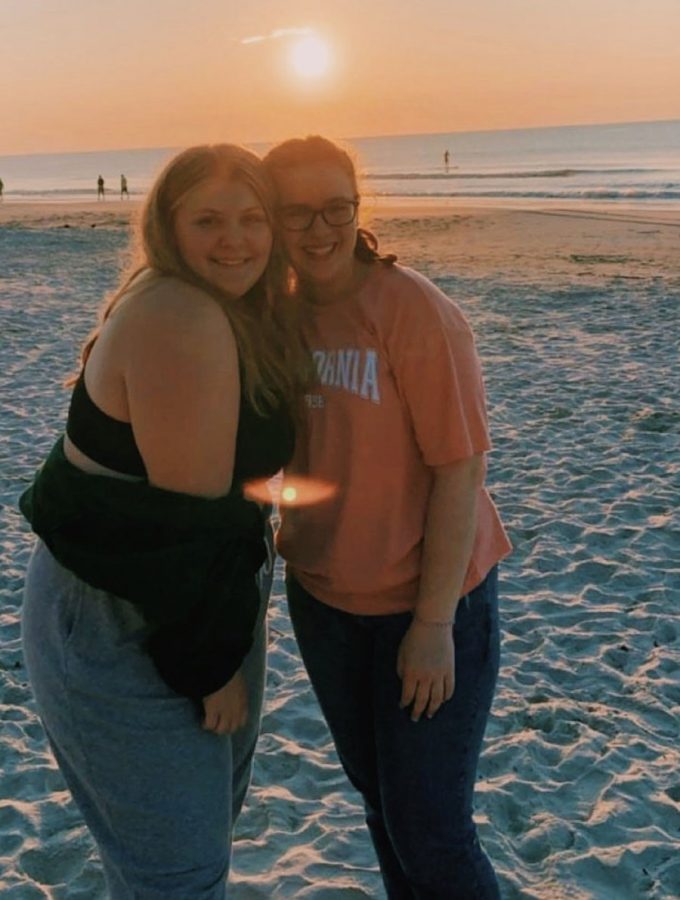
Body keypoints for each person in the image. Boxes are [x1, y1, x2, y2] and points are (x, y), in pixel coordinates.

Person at [20, 143, 310, 899]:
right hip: (134, 614)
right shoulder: (180, 315)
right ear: (167, 226)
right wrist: (212, 668)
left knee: (179, 858)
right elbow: (191, 529)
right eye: (208, 219)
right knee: (177, 878)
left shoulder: (224, 308)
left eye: (253, 218)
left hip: (182, 601)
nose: (236, 239)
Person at [263, 135, 512, 899]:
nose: (319, 228)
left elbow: (460, 468)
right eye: (295, 211)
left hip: (426, 608)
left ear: (357, 209)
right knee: (382, 807)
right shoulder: (277, 315)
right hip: (326, 607)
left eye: (335, 207)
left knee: (432, 835)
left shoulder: (413, 311)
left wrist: (433, 626)